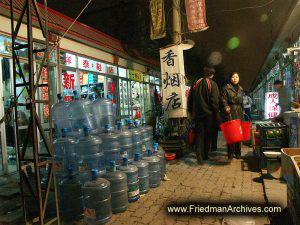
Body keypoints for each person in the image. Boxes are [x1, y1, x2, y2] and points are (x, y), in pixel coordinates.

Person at [190, 67, 221, 163]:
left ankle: (199, 156)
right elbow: (214, 102)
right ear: (212, 74)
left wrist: (190, 111)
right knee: (208, 135)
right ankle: (205, 156)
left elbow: (190, 99)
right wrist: (217, 116)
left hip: (198, 114)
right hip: (209, 115)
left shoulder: (196, 83)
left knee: (199, 135)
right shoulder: (212, 84)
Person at [221, 72, 244, 160]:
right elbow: (223, 99)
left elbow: (242, 102)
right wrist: (226, 106)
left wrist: (243, 112)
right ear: (230, 78)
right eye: (233, 77)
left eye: (237, 77)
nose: (235, 78)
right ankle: (230, 153)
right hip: (230, 111)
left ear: (239, 78)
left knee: (238, 133)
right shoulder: (226, 88)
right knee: (230, 133)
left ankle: (238, 152)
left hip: (239, 111)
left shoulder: (241, 89)